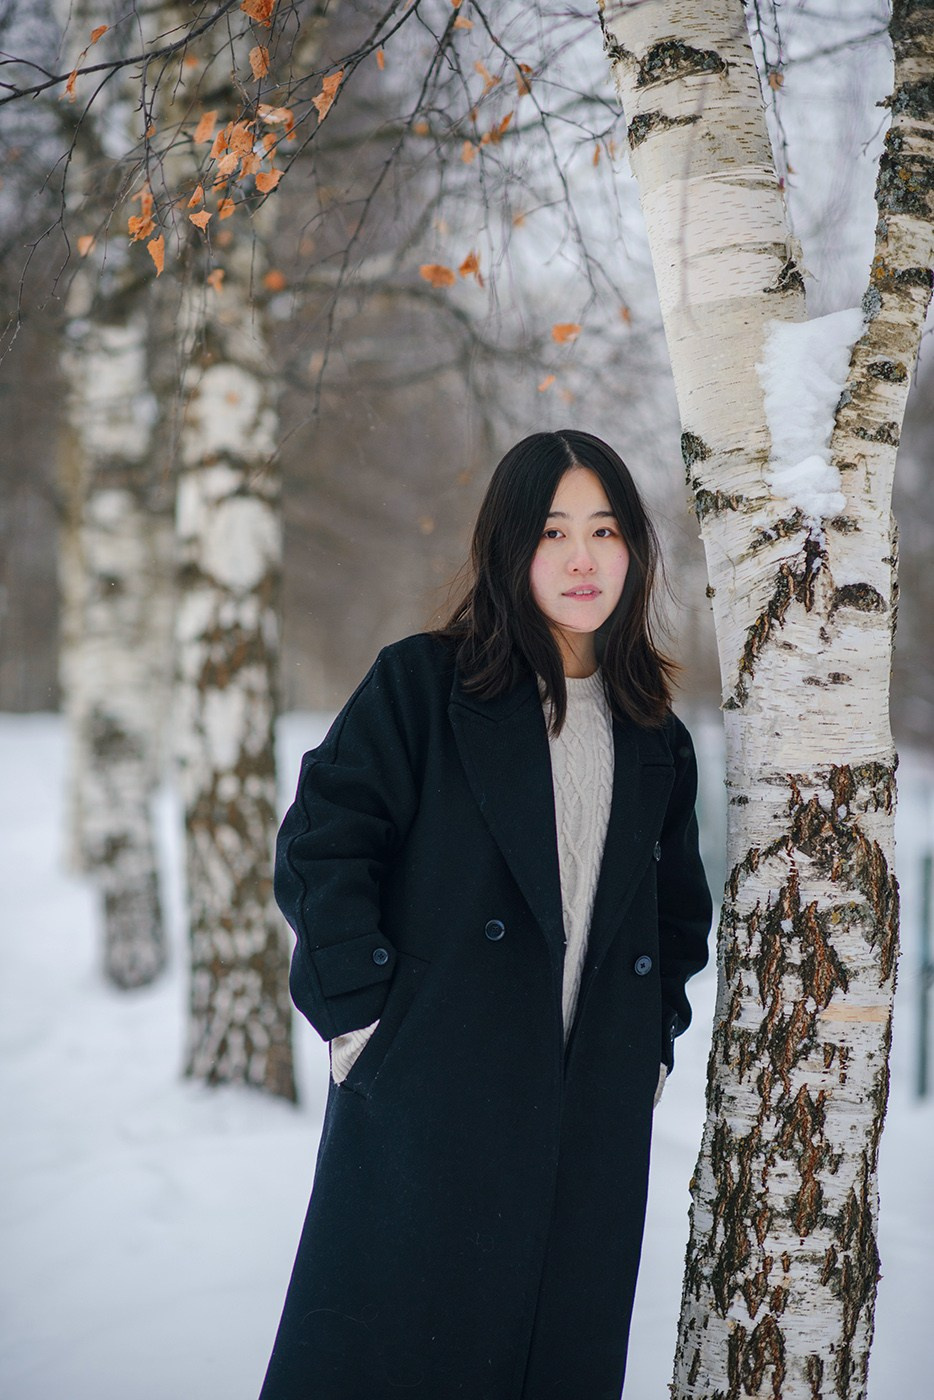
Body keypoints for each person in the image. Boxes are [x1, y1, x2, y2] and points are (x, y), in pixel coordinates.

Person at [259, 429, 712, 1400]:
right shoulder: (424, 685)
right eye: (553, 532)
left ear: (635, 548)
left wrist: (648, 1044)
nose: (582, 557)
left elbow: (674, 918)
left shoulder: (656, 734)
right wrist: (364, 1021)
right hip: (429, 1108)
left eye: (604, 529)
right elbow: (324, 844)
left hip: (584, 1132)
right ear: (510, 547)